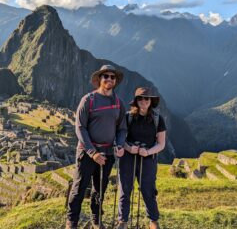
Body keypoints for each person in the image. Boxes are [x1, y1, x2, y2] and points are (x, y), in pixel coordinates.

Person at [66, 65, 127, 229]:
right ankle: (71, 222)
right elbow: (80, 127)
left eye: (112, 77)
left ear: (115, 81)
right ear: (99, 79)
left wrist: (120, 145)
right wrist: (92, 152)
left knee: (100, 189)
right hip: (87, 153)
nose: (109, 79)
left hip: (107, 153)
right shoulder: (88, 100)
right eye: (105, 76)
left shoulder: (119, 103)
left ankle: (96, 220)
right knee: (79, 188)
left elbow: (122, 128)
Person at [117, 87, 166, 229]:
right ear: (136, 101)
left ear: (151, 101)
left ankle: (153, 220)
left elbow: (161, 144)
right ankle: (123, 221)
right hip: (128, 157)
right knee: (125, 189)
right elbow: (120, 137)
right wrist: (128, 148)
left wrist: (149, 152)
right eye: (140, 98)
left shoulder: (158, 119)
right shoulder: (128, 117)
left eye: (146, 98)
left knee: (148, 190)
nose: (144, 101)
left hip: (148, 159)